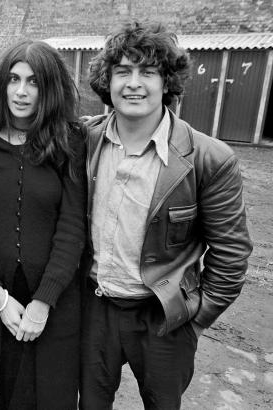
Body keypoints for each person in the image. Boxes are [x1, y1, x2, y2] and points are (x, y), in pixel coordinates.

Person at [80, 22, 253, 409]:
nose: (133, 83)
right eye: (122, 71)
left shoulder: (209, 158)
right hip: (95, 310)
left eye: (148, 72)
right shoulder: (84, 140)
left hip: (163, 319)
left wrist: (193, 320)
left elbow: (231, 253)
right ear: (107, 81)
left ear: (166, 82)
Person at [0, 40, 87, 410]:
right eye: (14, 79)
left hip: (54, 305)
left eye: (34, 82)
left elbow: (72, 228)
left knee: (48, 397)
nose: (22, 91)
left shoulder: (69, 142)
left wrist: (43, 302)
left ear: (51, 88)